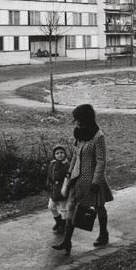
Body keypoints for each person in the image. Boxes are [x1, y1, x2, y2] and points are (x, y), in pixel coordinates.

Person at [52, 104, 113, 256]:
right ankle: (67, 241)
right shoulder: (79, 134)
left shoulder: (98, 137)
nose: (75, 122)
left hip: (92, 180)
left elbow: (101, 161)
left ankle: (104, 234)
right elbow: (74, 156)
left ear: (85, 119)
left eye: (77, 119)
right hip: (77, 179)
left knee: (99, 207)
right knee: (72, 206)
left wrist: (96, 181)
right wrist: (69, 173)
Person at [46, 144, 70, 234]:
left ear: (64, 154)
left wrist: (65, 188)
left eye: (61, 153)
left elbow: (68, 178)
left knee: (64, 209)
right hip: (53, 190)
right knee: (51, 207)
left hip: (63, 189)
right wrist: (48, 185)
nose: (59, 155)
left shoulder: (67, 165)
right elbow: (49, 176)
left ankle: (63, 225)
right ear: (54, 155)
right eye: (57, 153)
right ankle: (58, 222)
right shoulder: (52, 164)